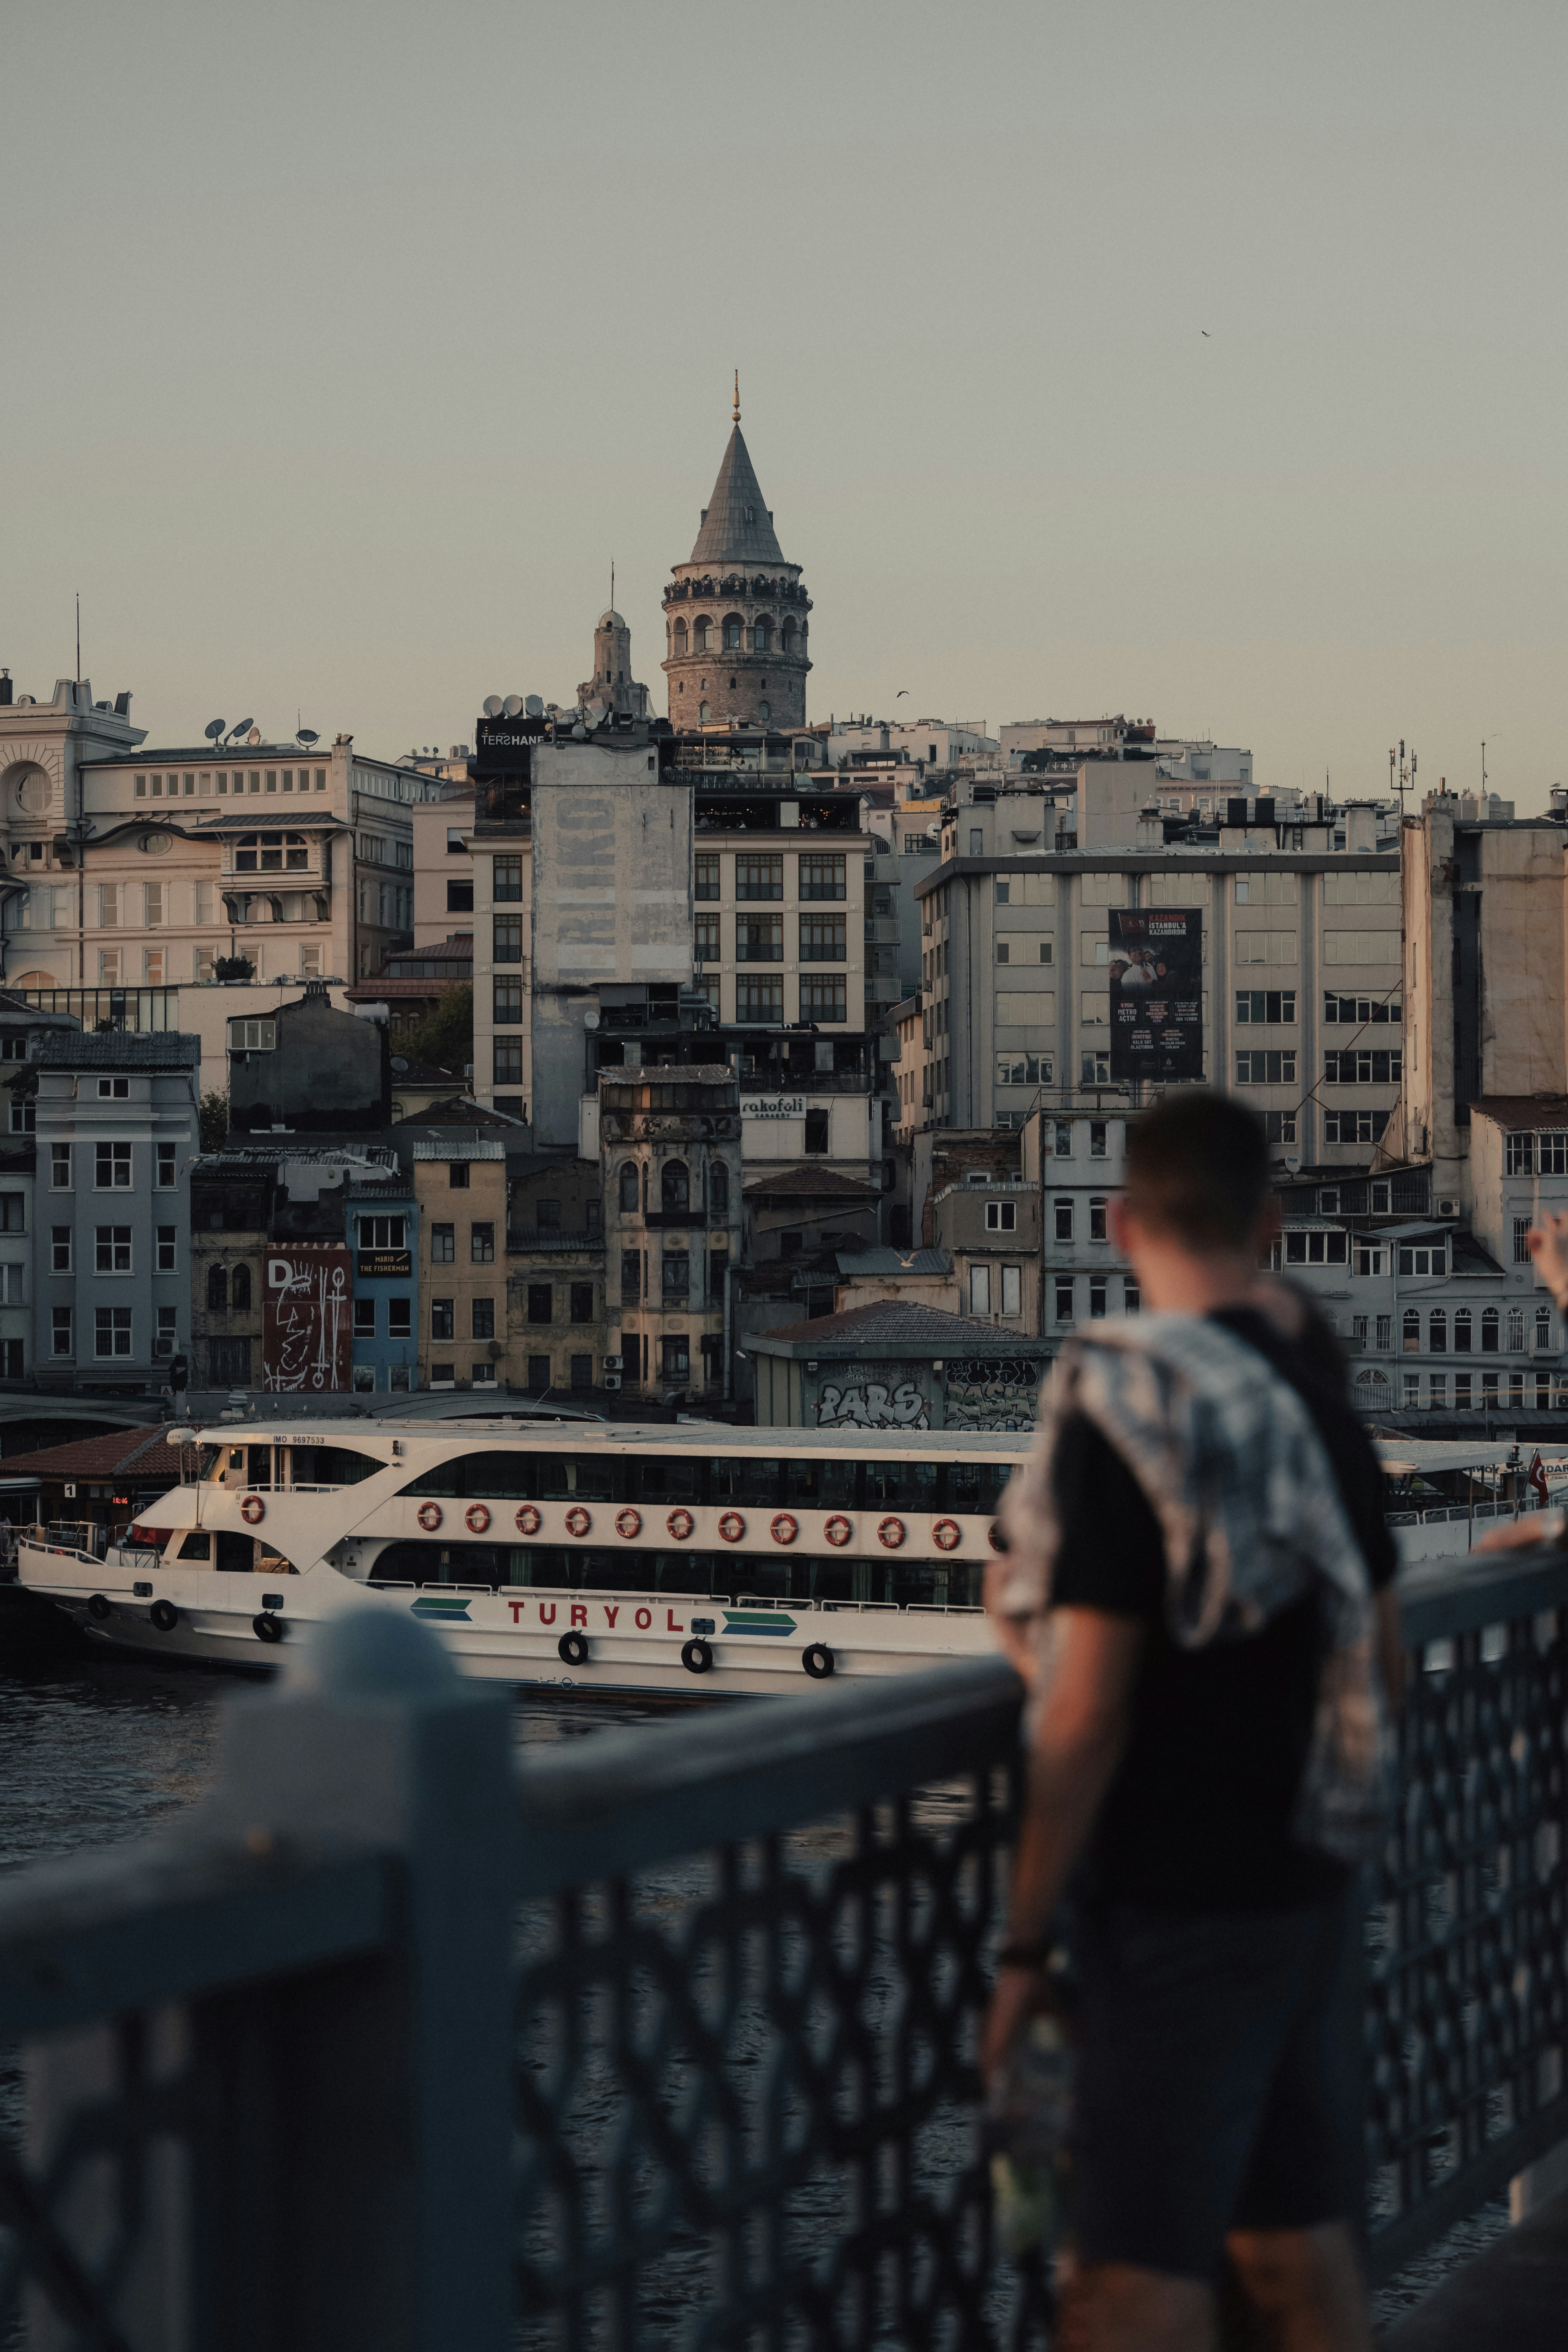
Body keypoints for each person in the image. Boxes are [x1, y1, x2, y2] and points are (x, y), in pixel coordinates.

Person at [983, 1092, 1404, 2352]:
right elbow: (1380, 1652)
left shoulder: (1130, 1408)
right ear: (1270, 1224)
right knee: (1291, 2250)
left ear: (1116, 1225)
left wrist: (1018, 1947)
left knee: (1126, 2281)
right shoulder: (1318, 1405)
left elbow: (1086, 1707)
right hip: (1306, 1882)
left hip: (1175, 1894)